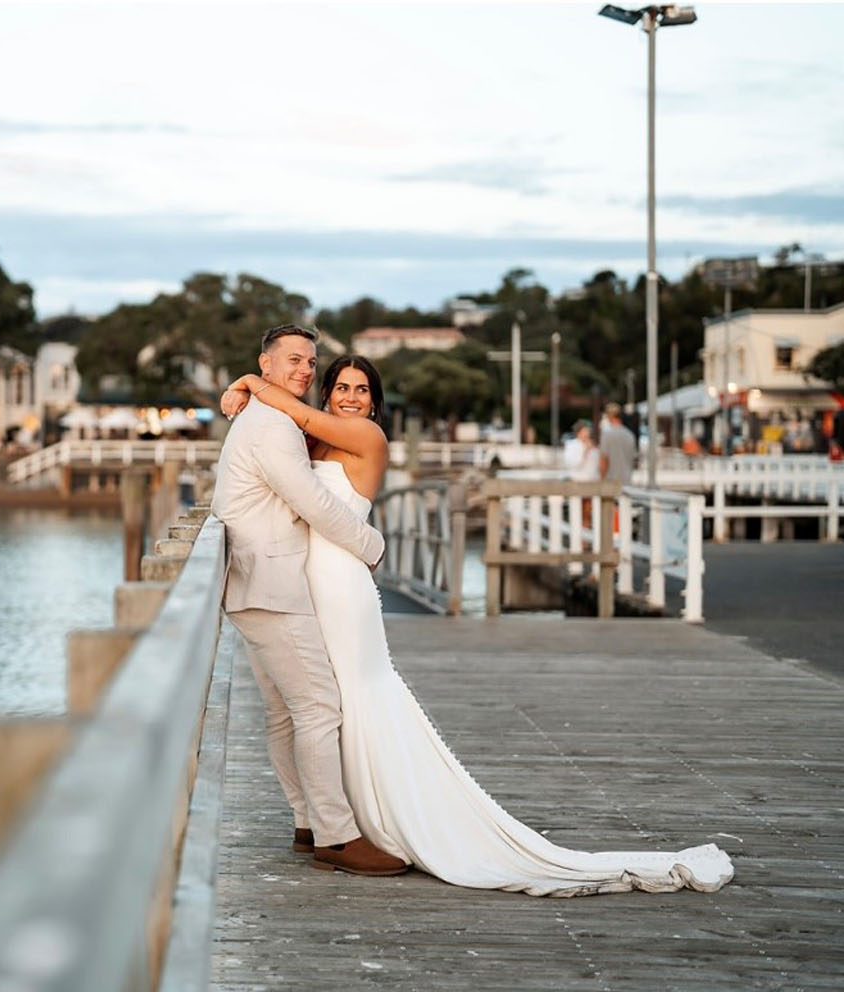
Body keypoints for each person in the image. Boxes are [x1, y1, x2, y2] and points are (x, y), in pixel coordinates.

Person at [221, 354, 733, 895]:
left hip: (343, 582)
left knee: (356, 694)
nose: (351, 396)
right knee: (327, 702)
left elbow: (295, 418)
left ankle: (375, 820)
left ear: (375, 402)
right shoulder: (315, 440)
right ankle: (335, 820)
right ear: (328, 393)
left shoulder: (365, 436)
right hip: (307, 582)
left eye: (363, 389)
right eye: (342, 387)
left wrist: (252, 382)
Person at [210, 325, 407, 877]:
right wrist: (372, 543)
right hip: (274, 584)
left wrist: (246, 384)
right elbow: (312, 501)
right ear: (267, 363)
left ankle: (308, 822)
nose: (303, 369)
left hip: (275, 581)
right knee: (317, 706)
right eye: (292, 360)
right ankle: (336, 836)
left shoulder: (276, 418)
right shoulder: (273, 426)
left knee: (289, 712)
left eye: (310, 362)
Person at [599, 403, 637, 484]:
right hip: (627, 480)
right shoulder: (629, 434)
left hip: (610, 481)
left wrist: (601, 479)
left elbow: (604, 459)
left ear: (609, 416)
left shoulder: (606, 433)